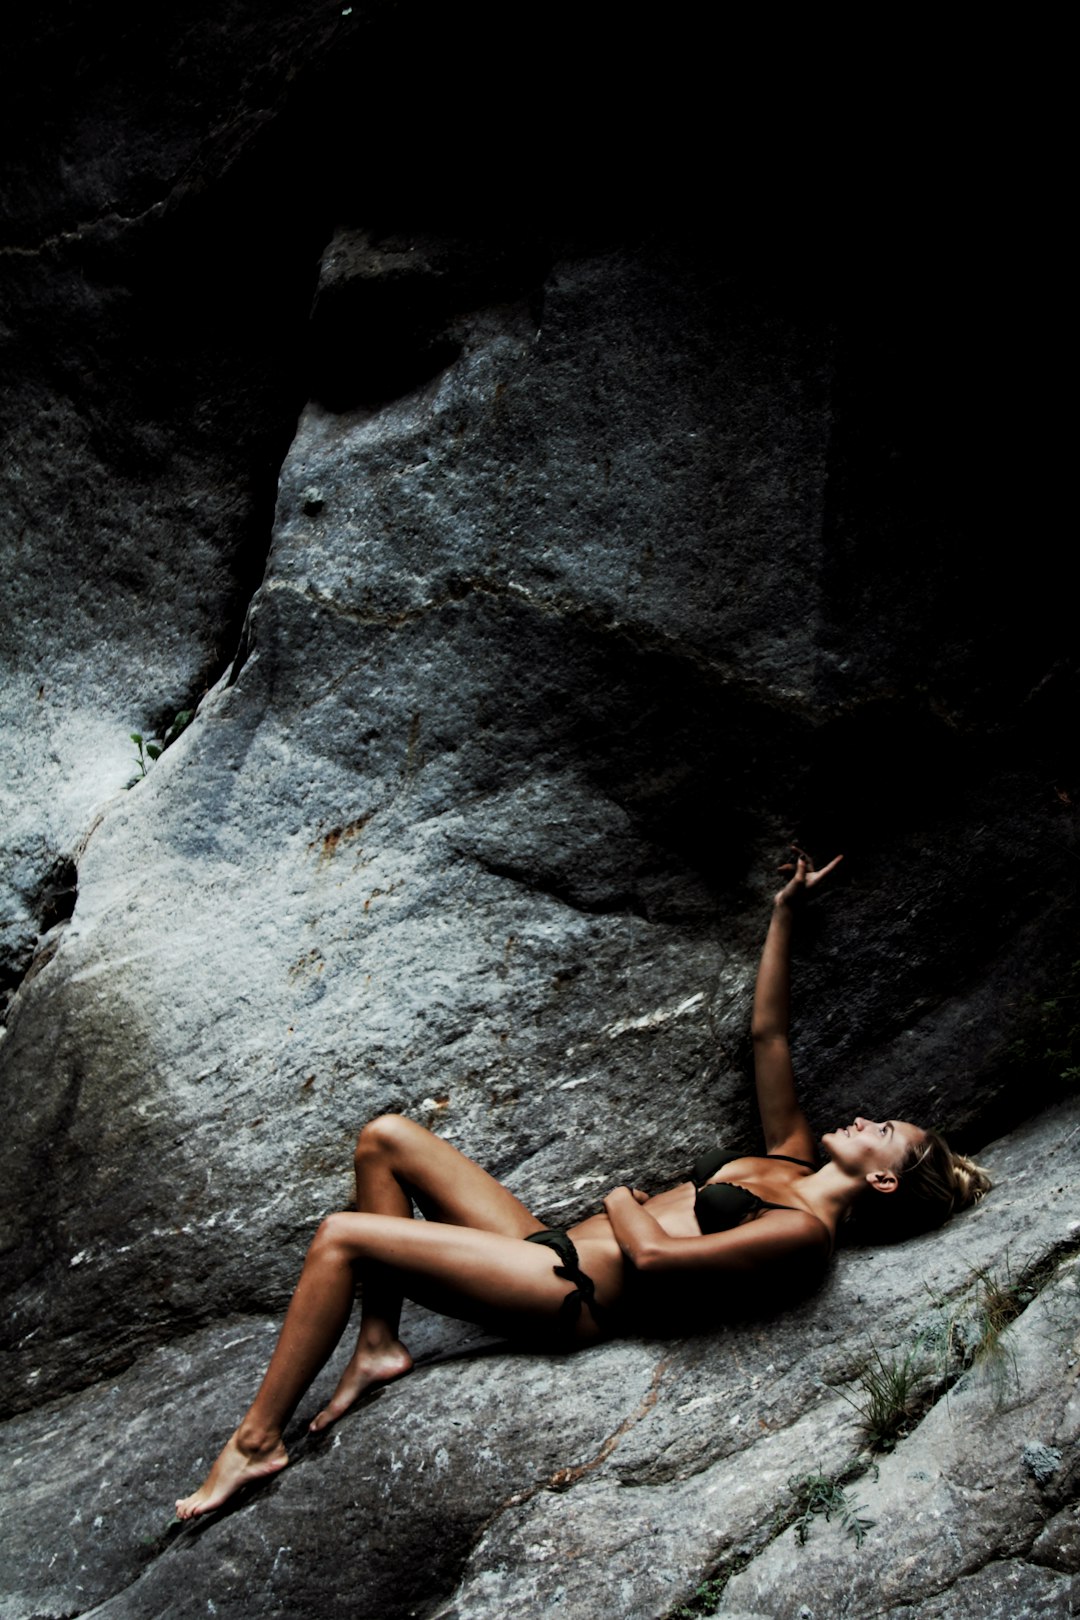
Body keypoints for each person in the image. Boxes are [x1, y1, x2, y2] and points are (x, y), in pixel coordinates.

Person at [175, 850, 990, 1519]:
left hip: (571, 1297)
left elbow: (658, 1260)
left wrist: (622, 1196)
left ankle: (256, 1443)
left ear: (883, 1180)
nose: (865, 1119)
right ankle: (379, 1344)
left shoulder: (805, 1235)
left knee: (340, 1236)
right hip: (544, 1248)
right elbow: (767, 1033)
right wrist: (784, 916)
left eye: (883, 1131)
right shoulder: (790, 1158)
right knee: (385, 1140)